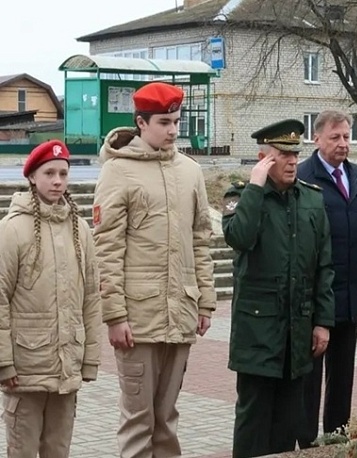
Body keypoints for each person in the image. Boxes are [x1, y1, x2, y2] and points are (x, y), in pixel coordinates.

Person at [92, 81, 217, 457]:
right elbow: (107, 248)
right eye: (164, 122)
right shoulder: (117, 171)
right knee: (139, 422)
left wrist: (205, 301)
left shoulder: (190, 171)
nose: (173, 130)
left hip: (180, 312)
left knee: (166, 420)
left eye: (177, 121)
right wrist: (115, 315)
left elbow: (200, 240)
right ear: (141, 123)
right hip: (138, 320)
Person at [222, 119, 335, 457]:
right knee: (253, 422)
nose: (292, 161)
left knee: (288, 423)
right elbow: (239, 237)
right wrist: (256, 188)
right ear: (263, 158)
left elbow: (324, 265)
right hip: (257, 330)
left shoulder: (311, 198)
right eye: (283, 154)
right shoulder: (241, 195)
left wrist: (322, 321)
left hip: (297, 332)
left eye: (295, 154)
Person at [0, 140, 102, 458]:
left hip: (66, 367)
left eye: (63, 173)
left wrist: (90, 358)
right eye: (49, 173)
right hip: (25, 367)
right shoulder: (11, 230)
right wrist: (3, 362)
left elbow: (91, 296)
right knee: (23, 450)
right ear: (32, 177)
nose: (57, 181)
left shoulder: (79, 230)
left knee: (58, 450)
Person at [297, 110, 357, 446]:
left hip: (349, 297)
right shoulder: (304, 178)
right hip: (315, 300)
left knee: (342, 377)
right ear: (316, 138)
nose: (343, 143)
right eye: (335, 137)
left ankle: (336, 440)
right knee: (309, 381)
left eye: (347, 136)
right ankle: (305, 445)